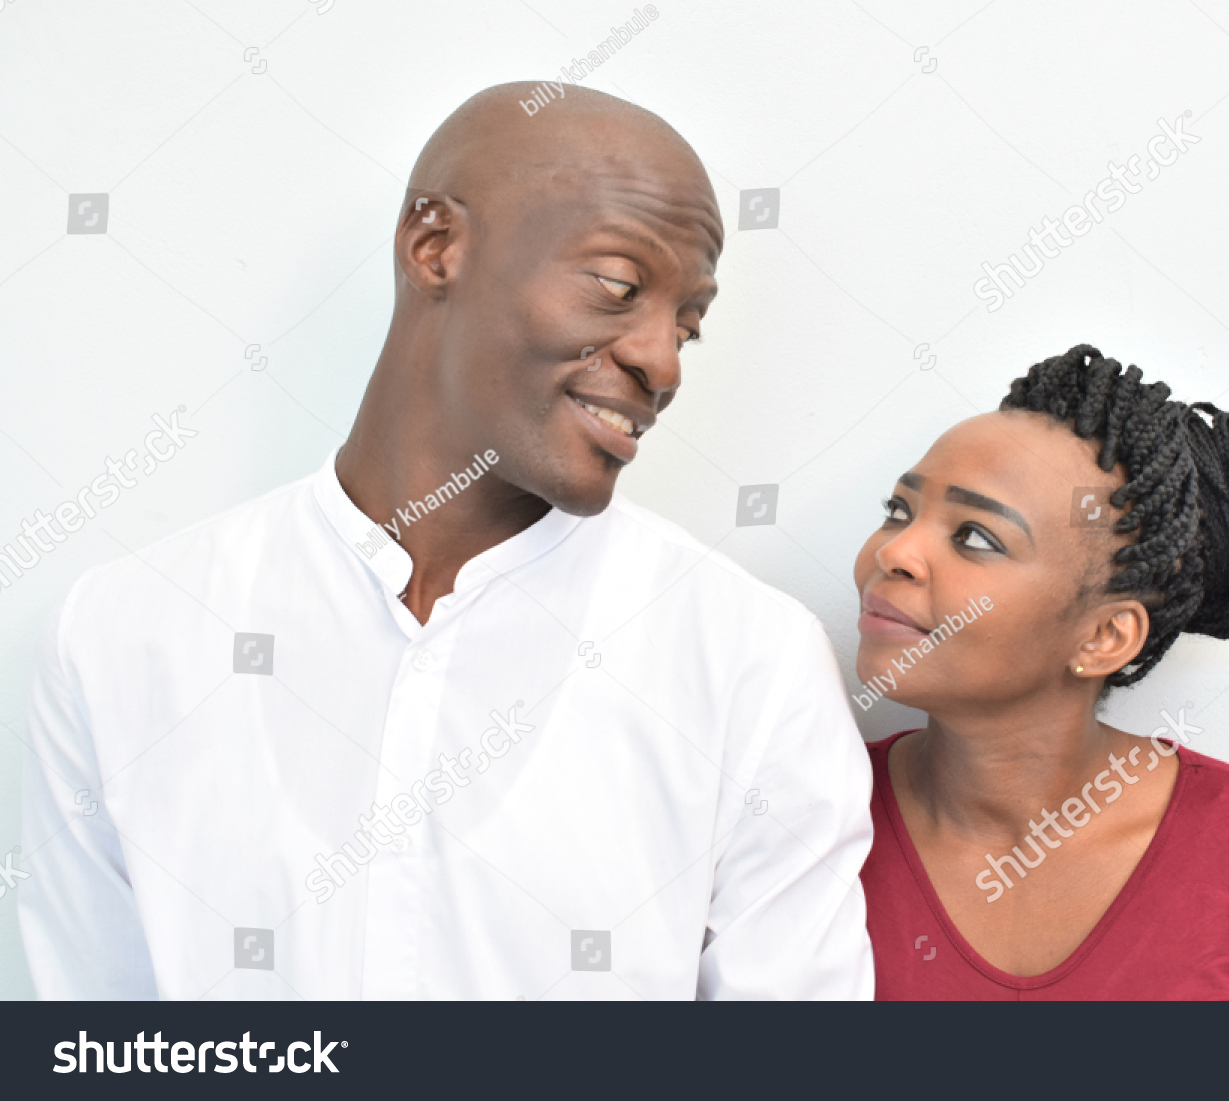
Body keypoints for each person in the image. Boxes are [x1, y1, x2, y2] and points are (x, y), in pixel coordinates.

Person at [21, 84, 874, 1000]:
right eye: (620, 287)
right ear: (435, 247)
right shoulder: (126, 630)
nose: (662, 362)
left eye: (687, 326)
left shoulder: (752, 662)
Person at [855, 344, 1229, 1000]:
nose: (893, 550)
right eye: (899, 510)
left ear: (1104, 636)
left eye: (977, 537)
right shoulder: (803, 815)